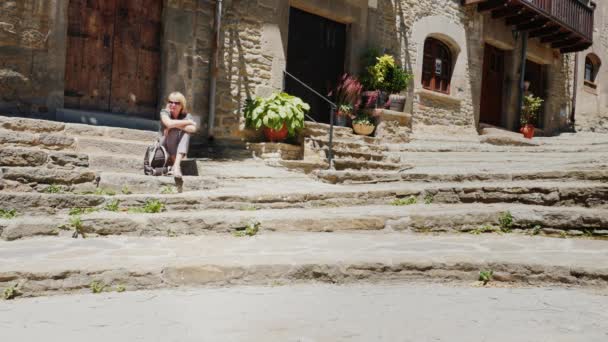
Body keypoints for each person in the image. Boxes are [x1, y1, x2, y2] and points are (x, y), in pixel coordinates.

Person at [159, 92, 197, 177]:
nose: (173, 105)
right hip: (164, 147)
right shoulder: (164, 112)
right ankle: (176, 166)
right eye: (170, 102)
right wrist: (188, 122)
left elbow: (193, 129)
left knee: (186, 133)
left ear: (182, 105)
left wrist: (176, 125)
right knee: (173, 131)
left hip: (178, 148)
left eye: (176, 103)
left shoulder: (186, 115)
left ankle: (176, 166)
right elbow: (168, 123)